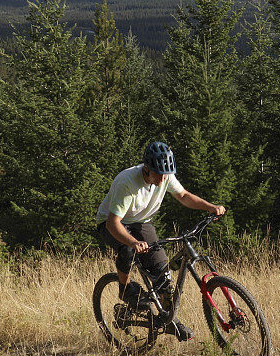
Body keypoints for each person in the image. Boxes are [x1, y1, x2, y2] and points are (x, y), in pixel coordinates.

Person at [96, 141, 226, 342]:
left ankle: (168, 320)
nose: (163, 178)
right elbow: (114, 223)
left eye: (166, 174)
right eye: (158, 174)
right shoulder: (127, 182)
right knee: (127, 251)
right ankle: (124, 288)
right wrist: (132, 242)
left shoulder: (165, 175)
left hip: (141, 221)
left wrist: (210, 207)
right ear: (146, 169)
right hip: (112, 222)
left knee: (162, 272)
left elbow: (183, 196)